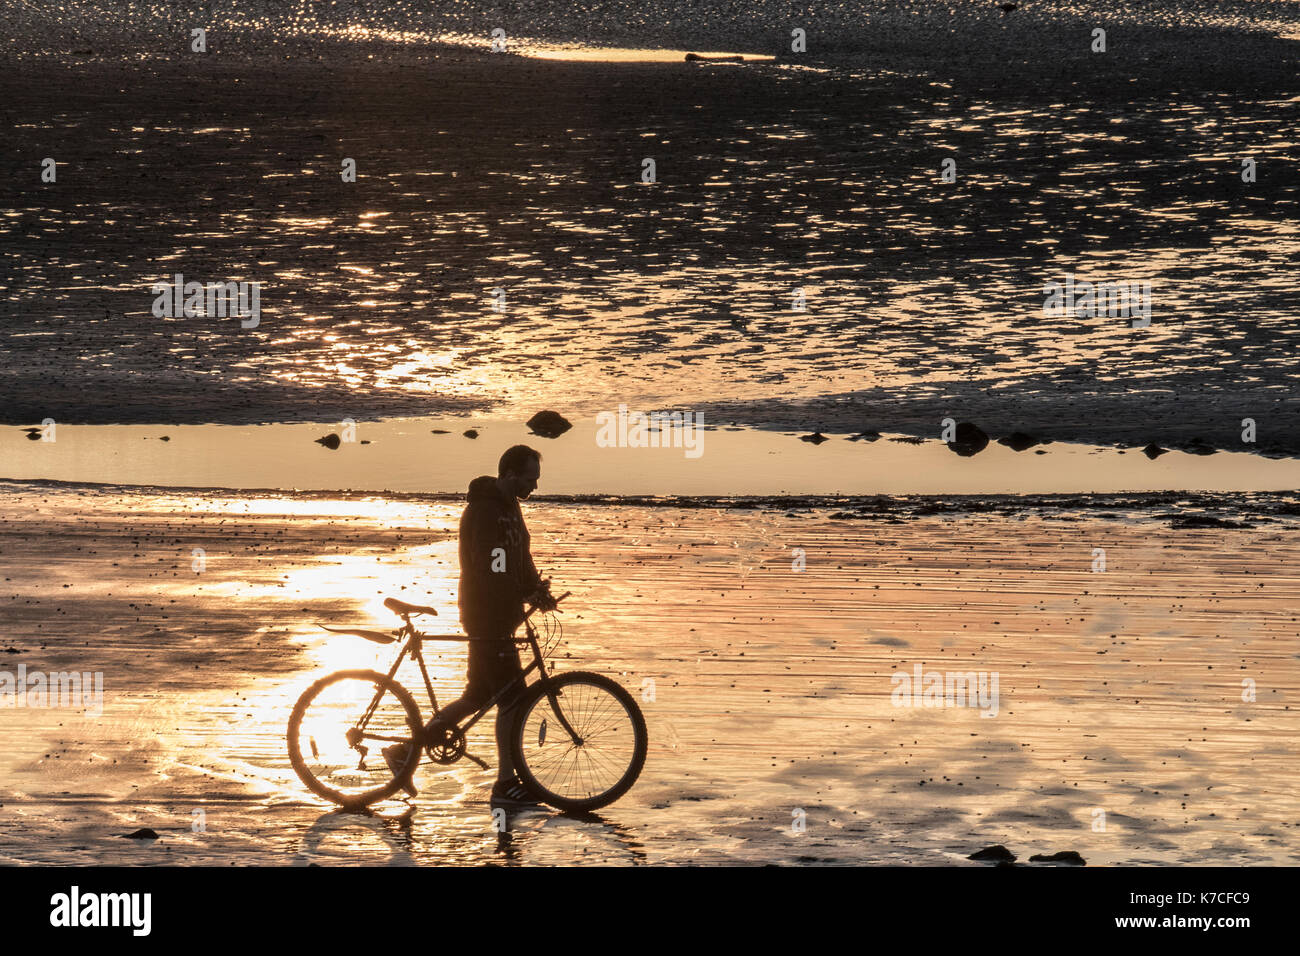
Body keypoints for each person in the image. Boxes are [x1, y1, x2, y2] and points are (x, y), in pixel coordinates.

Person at [383, 444, 557, 807]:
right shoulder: (484, 511)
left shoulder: (511, 507)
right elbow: (491, 568)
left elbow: (520, 556)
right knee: (512, 700)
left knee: (478, 695)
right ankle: (505, 784)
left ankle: (403, 751)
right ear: (509, 474)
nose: (534, 486)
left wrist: (536, 588)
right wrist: (522, 593)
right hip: (486, 614)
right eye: (530, 478)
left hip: (503, 614)